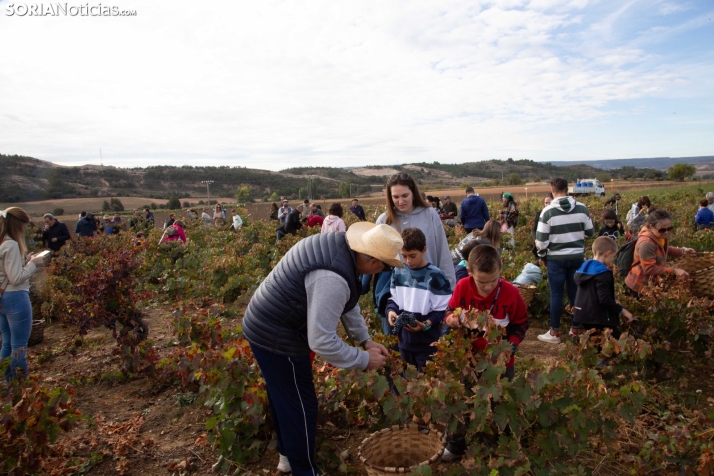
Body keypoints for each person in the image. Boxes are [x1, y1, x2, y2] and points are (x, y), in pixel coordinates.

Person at [242, 222, 399, 475]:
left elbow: (349, 303)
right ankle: (305, 471)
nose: (384, 270)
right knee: (301, 407)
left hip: (264, 322)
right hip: (277, 334)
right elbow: (322, 340)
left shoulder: (340, 249)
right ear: (371, 260)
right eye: (386, 264)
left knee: (283, 398)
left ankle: (287, 458)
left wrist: (365, 340)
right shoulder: (332, 277)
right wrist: (363, 359)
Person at [441, 244, 528, 461]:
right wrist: (450, 319)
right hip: (469, 360)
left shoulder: (511, 293)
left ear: (500, 271)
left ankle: (500, 447)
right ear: (470, 272)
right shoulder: (462, 287)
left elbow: (521, 323)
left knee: (502, 404)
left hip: (501, 362)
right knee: (463, 399)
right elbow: (450, 311)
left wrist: (511, 347)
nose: (488, 286)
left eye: (493, 280)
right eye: (482, 281)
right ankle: (456, 445)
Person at [536, 178, 594, 344]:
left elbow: (541, 241)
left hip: (555, 259)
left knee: (556, 294)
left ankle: (555, 332)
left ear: (552, 190)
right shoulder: (582, 208)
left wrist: (542, 256)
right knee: (575, 293)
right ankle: (575, 329)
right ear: (567, 189)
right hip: (577, 257)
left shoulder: (547, 212)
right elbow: (590, 232)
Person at [385, 228, 451, 372]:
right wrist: (391, 311)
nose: (408, 261)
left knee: (426, 383)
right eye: (404, 256)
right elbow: (394, 299)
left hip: (428, 343)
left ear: (424, 250)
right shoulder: (398, 271)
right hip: (404, 341)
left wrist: (426, 324)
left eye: (413, 256)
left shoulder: (436, 276)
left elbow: (442, 310)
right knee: (406, 382)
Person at [376, 173, 456, 288]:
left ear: (413, 194)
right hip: (399, 292)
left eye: (405, 195)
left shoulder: (430, 215)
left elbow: (442, 252)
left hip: (431, 287)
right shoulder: (383, 221)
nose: (400, 201)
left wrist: (449, 285)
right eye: (396, 197)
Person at [1, 207, 46, 381]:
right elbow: (16, 277)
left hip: (2, 297)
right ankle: (19, 386)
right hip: (15, 298)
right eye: (23, 226)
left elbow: (5, 272)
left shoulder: (1, 242)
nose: (24, 230)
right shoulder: (11, 244)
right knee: (19, 345)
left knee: (7, 342)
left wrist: (26, 261)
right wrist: (34, 264)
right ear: (17, 224)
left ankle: (7, 381)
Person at [625, 209, 696, 298]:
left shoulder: (658, 236)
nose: (666, 232)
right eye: (662, 230)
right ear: (651, 226)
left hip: (650, 283)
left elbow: (664, 249)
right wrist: (674, 271)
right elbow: (649, 269)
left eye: (669, 228)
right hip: (640, 285)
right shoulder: (646, 243)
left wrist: (683, 251)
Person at [571, 237, 633, 338]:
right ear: (608, 253)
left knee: (595, 343)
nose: (612, 260)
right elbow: (604, 299)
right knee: (616, 343)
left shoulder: (584, 269)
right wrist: (622, 310)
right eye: (613, 256)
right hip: (598, 317)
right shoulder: (602, 273)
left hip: (582, 315)